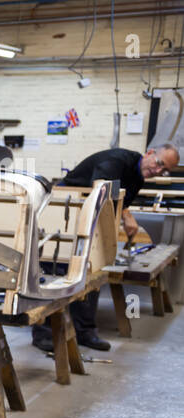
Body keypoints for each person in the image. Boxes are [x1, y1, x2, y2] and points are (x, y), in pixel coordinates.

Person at [31, 142, 180, 353]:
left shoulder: (138, 177)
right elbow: (100, 193)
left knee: (92, 272)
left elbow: (121, 203)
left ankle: (85, 331)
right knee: (54, 272)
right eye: (158, 163)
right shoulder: (116, 161)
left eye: (164, 170)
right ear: (149, 153)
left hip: (89, 217)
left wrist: (126, 216)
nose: (157, 171)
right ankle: (43, 333)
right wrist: (127, 217)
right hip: (64, 209)